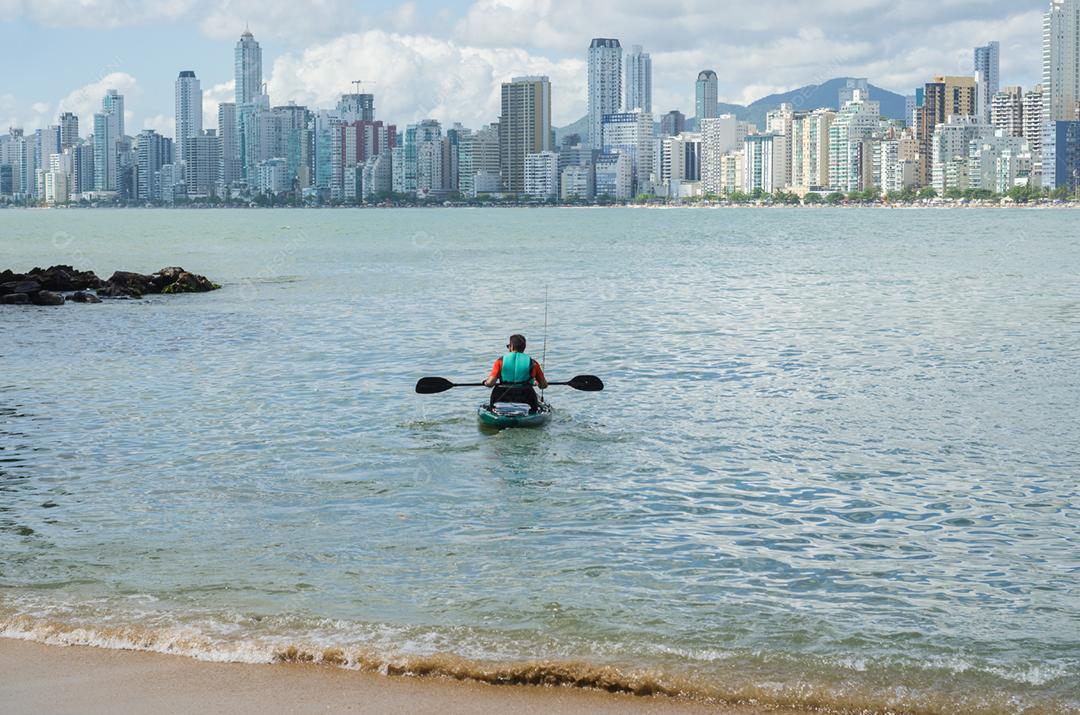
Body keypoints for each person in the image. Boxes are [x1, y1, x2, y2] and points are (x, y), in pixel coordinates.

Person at [483, 334, 548, 411]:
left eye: (508, 346)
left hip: (502, 397)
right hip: (527, 398)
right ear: (524, 348)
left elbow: (490, 383)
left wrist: (485, 382)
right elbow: (543, 385)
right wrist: (537, 383)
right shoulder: (533, 363)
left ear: (512, 346)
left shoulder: (500, 361)